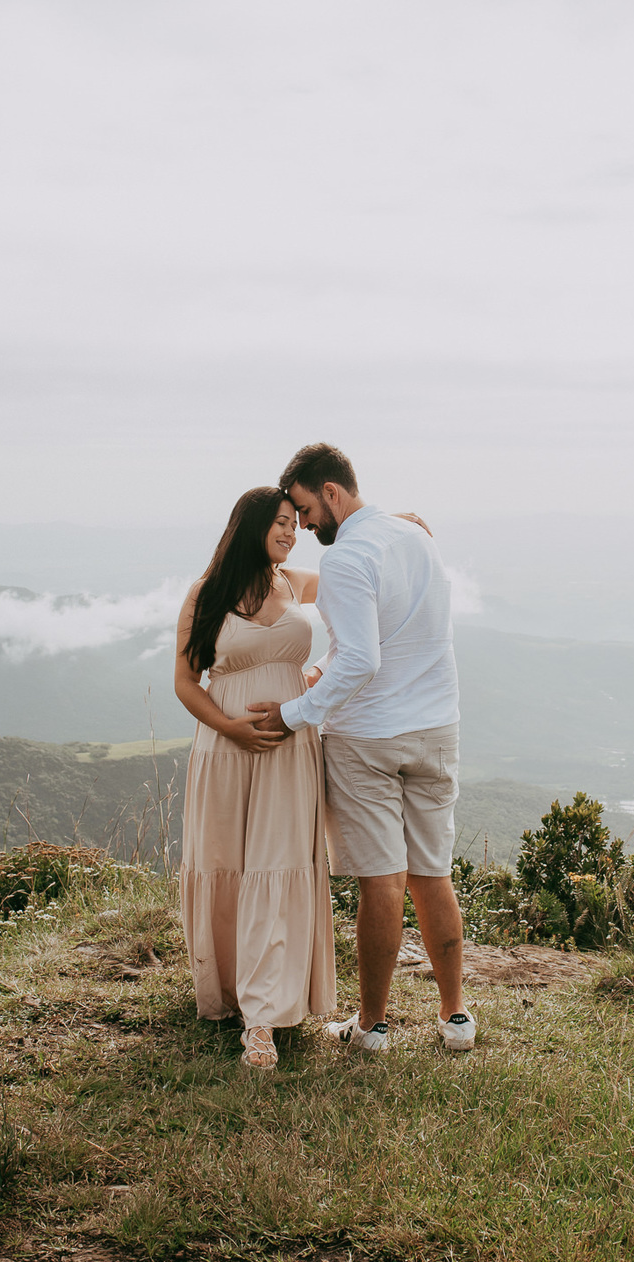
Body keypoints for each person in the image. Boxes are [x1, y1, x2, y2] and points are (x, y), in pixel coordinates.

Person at [249, 444, 476, 1055]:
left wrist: (295, 713)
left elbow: (364, 656)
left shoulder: (349, 556)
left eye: (304, 508)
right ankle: (455, 1018)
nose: (305, 525)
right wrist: (325, 668)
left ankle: (372, 1027)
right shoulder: (416, 537)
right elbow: (391, 633)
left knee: (383, 878)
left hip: (369, 736)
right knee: (432, 872)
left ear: (331, 491)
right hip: (436, 727)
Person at [173, 487, 335, 1071]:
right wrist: (231, 729)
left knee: (279, 862)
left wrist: (393, 525)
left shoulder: (294, 584)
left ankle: (263, 1016)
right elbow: (186, 682)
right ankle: (231, 992)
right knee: (228, 865)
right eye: (281, 523)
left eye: (295, 523)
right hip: (225, 746)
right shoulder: (206, 593)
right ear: (250, 526)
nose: (291, 533)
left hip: (290, 747)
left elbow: (354, 572)